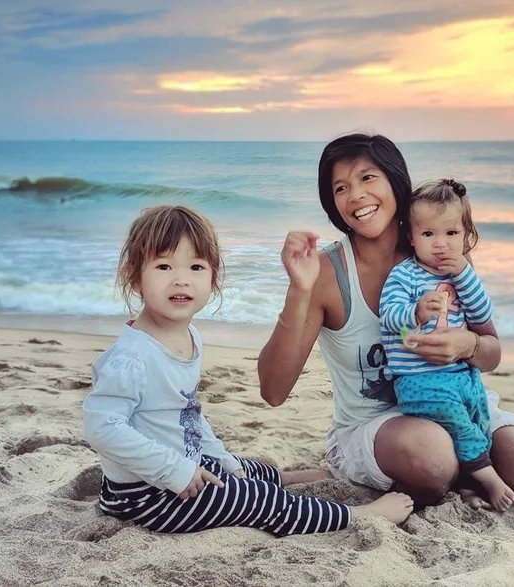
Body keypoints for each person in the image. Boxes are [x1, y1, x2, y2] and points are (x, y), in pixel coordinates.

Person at [258, 133, 514, 516]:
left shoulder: (442, 252)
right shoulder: (327, 272)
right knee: (434, 457)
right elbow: (273, 392)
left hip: (462, 409)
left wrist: (467, 346)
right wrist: (299, 289)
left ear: (396, 180)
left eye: (367, 178)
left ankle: (469, 472)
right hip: (377, 429)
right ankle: (352, 472)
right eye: (340, 187)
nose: (356, 195)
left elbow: (492, 351)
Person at [82, 205, 414, 536]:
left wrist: (220, 459)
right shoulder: (132, 357)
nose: (181, 279)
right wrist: (174, 470)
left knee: (242, 468)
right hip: (148, 495)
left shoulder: (186, 335)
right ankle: (358, 516)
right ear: (134, 276)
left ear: (213, 277)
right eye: (164, 266)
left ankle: (280, 477)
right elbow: (102, 428)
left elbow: (187, 416)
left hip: (182, 465)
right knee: (259, 500)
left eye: (196, 266)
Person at [379, 178, 514, 511]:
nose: (440, 244)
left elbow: (482, 314)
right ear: (411, 237)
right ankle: (488, 477)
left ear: (467, 236)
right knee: (458, 422)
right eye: (428, 234)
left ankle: (468, 487)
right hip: (419, 380)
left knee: (478, 418)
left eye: (451, 234)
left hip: (462, 376)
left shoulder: (462, 275)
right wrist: (416, 311)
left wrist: (465, 274)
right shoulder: (405, 275)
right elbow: (388, 315)